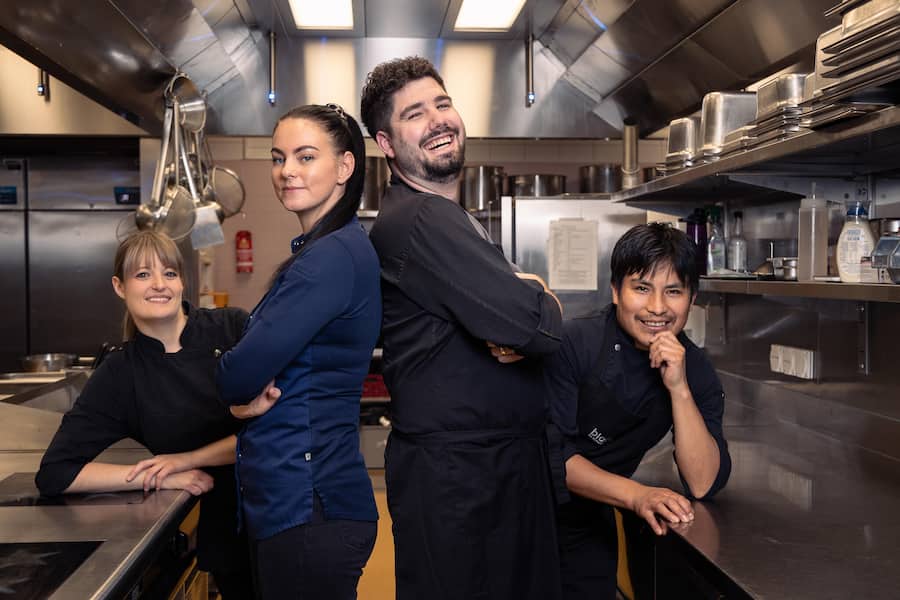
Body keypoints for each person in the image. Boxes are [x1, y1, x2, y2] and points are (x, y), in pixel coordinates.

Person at [361, 56, 564, 600]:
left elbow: (518, 320)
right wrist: (542, 298)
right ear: (385, 143)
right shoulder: (425, 218)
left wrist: (530, 298)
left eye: (442, 104)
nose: (437, 120)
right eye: (414, 115)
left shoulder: (447, 217)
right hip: (465, 483)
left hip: (486, 472)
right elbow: (533, 326)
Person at [215, 104, 380, 600]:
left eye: (306, 157)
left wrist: (235, 382)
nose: (287, 171)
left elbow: (236, 375)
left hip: (310, 503)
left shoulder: (328, 260)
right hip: (303, 501)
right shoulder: (326, 250)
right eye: (278, 157)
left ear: (345, 168)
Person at [35, 230, 254, 599]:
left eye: (169, 273)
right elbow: (56, 473)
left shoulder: (232, 328)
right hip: (226, 537)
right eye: (142, 275)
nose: (159, 285)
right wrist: (157, 478)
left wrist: (182, 460)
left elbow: (276, 428)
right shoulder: (121, 372)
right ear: (119, 287)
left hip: (286, 513)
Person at [544, 222, 732, 599]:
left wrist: (678, 388)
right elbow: (552, 456)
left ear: (692, 299)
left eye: (673, 291)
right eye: (642, 288)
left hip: (588, 518)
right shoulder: (574, 342)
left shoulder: (695, 369)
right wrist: (636, 496)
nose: (657, 308)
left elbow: (703, 481)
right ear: (616, 291)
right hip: (526, 507)